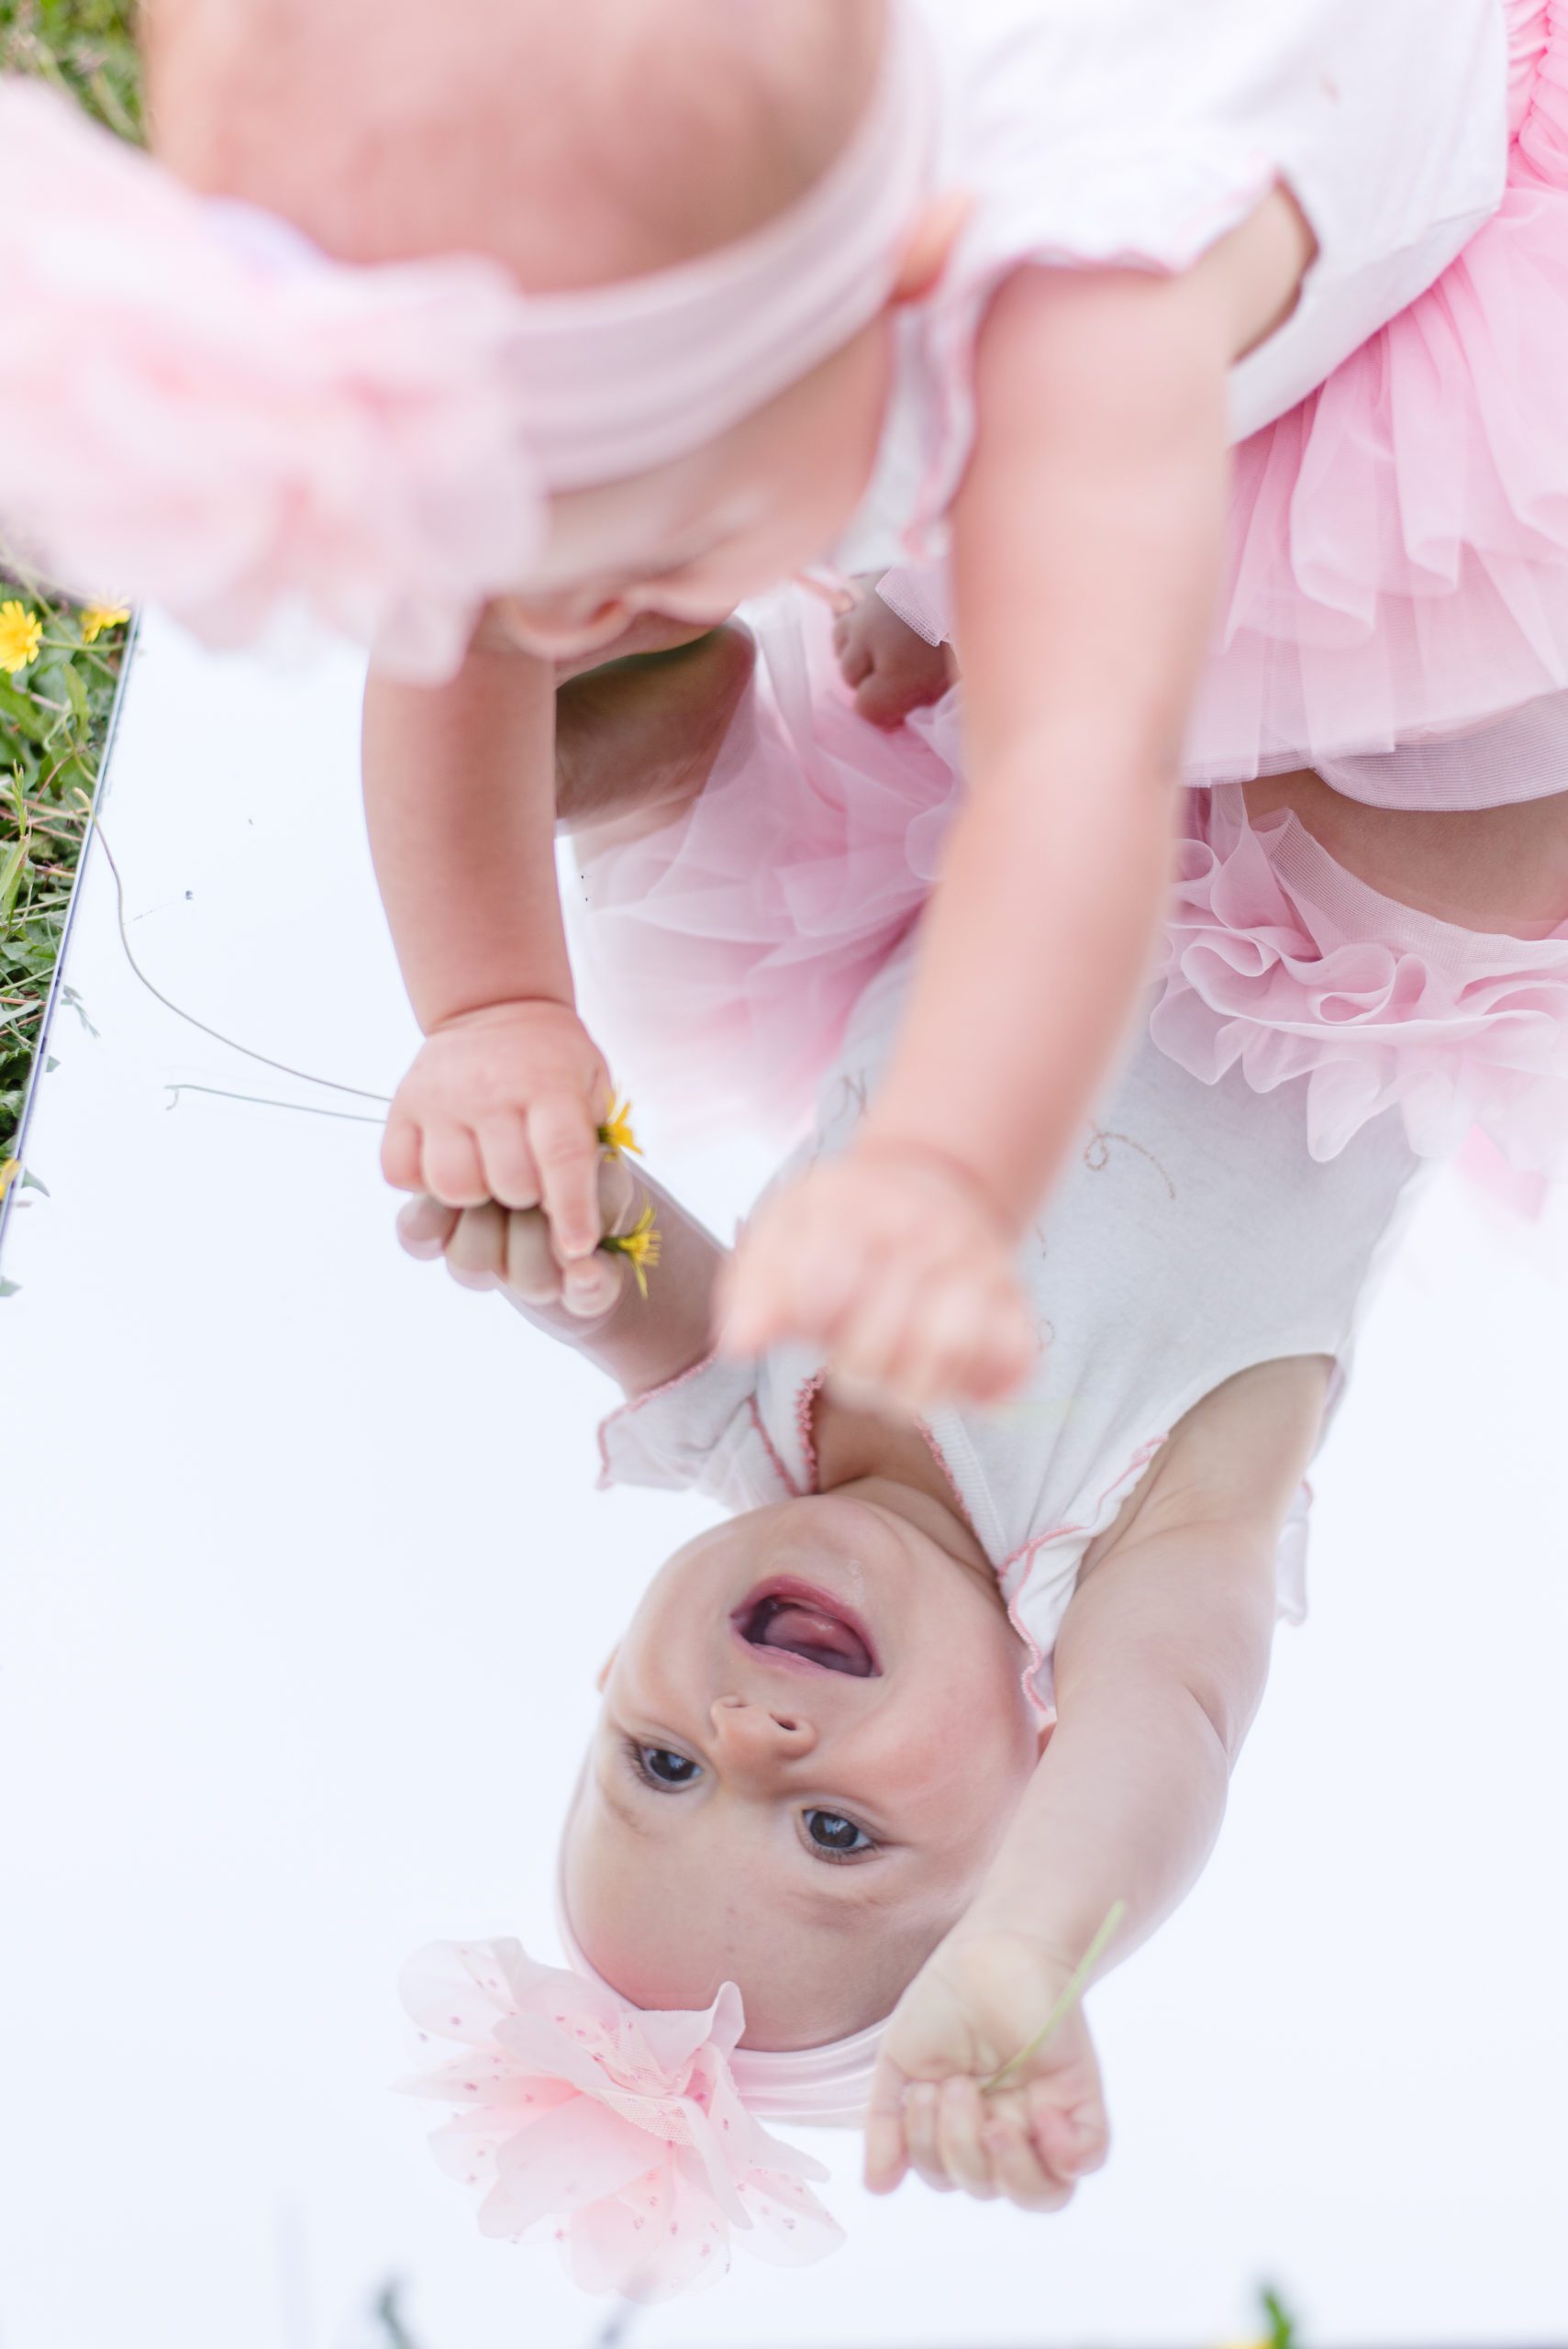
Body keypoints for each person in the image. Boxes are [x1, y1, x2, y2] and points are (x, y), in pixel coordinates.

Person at [6, 0, 1565, 1402]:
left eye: (651, 556)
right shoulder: (729, 308)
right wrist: (493, 1008)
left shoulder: (1087, 328)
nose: (564, 627)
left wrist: (942, 1167)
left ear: (868, 315)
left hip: (1405, 173)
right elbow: (468, 637)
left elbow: (1071, 778)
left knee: (1399, 760)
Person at [388, 586, 1568, 2298]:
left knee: (624, 758)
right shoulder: (1130, 1559)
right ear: (1029, 1806)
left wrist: (536, 1207)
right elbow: (1167, 1732)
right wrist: (1025, 1957)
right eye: (833, 1835)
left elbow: (613, 1273)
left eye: (661, 1770)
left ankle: (654, 636)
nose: (747, 1730)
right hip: (1322, 911)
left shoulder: (758, 1424)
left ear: (604, 1681)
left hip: (1023, 810)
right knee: (1420, 825)